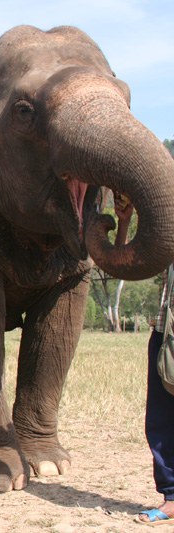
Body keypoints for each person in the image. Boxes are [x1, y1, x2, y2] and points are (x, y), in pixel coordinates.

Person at [121, 192, 174, 525]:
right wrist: (125, 221)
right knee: (161, 418)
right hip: (166, 331)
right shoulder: (167, 221)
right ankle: (172, 496)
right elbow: (127, 262)